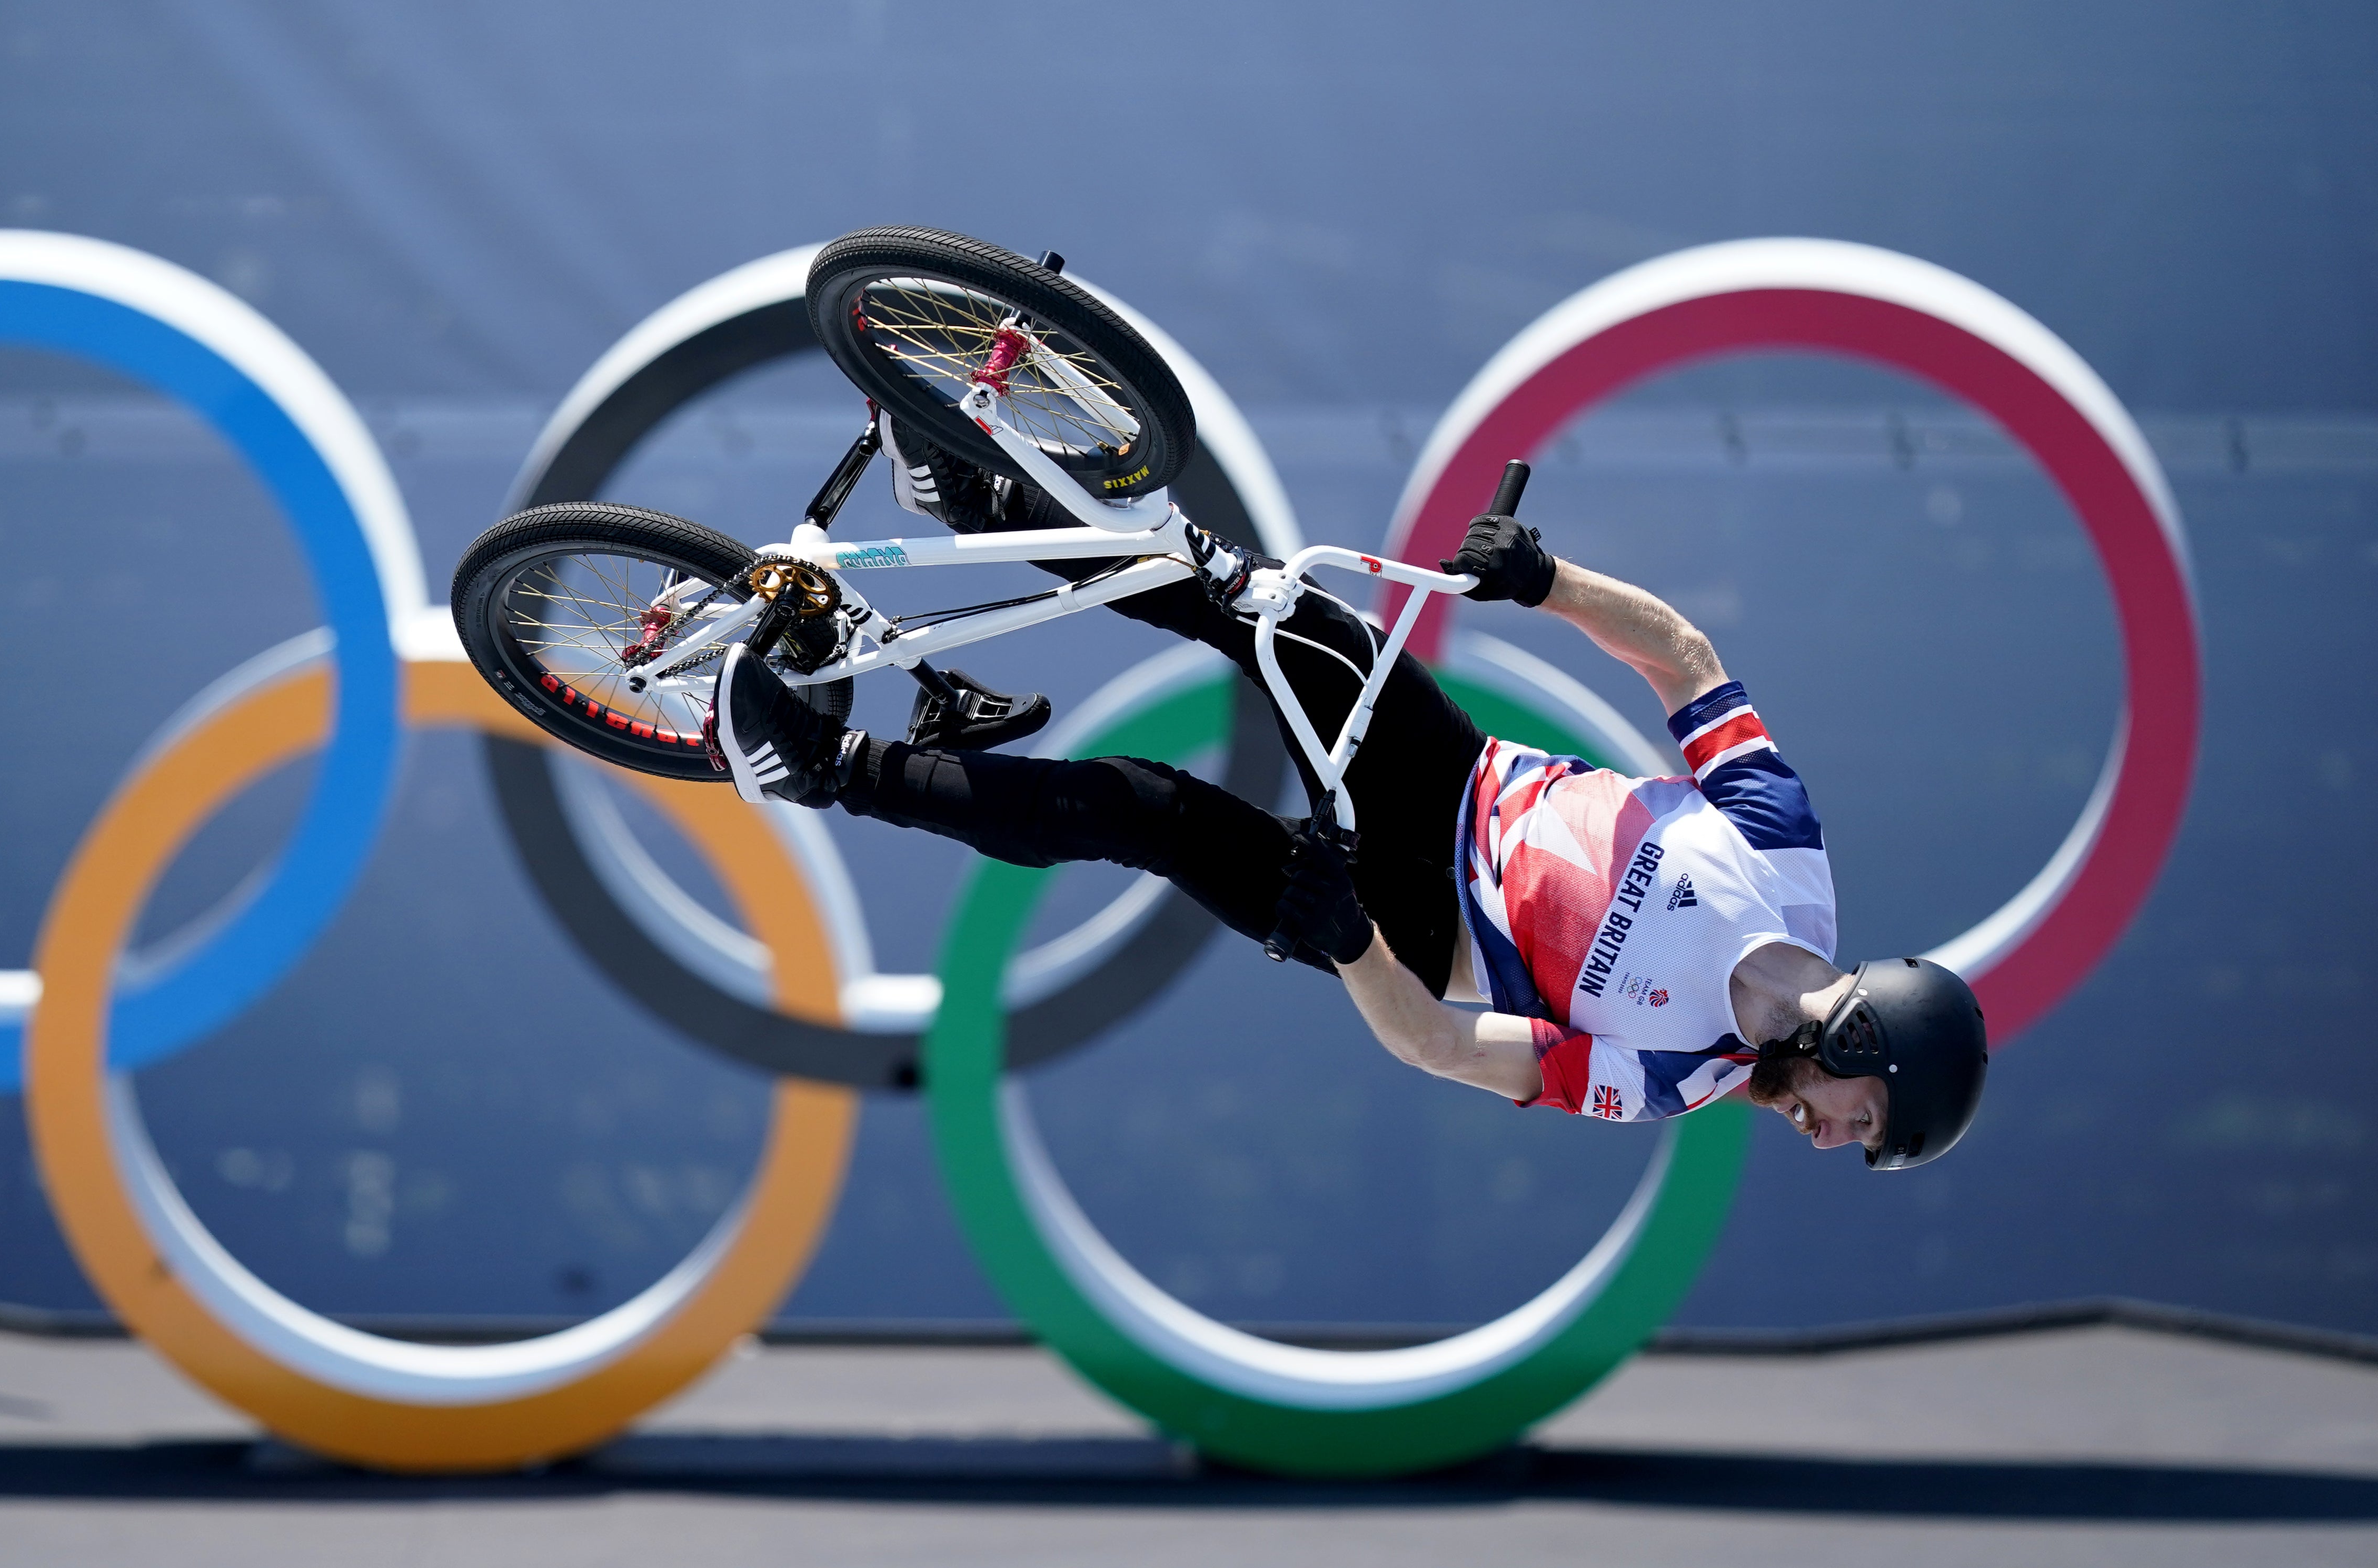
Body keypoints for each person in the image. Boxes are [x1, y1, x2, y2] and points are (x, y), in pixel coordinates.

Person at [708, 435, 1988, 1168]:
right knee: (1249, 602)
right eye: (1858, 1119)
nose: (1825, 1138)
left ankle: (822, 771)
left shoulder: (1668, 1080)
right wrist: (1548, 583)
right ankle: (984, 502)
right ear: (1871, 1041)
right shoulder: (1785, 856)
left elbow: (1436, 1045)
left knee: (1145, 812)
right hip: (1455, 772)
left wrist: (1346, 941)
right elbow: (1685, 662)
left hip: (1411, 931)